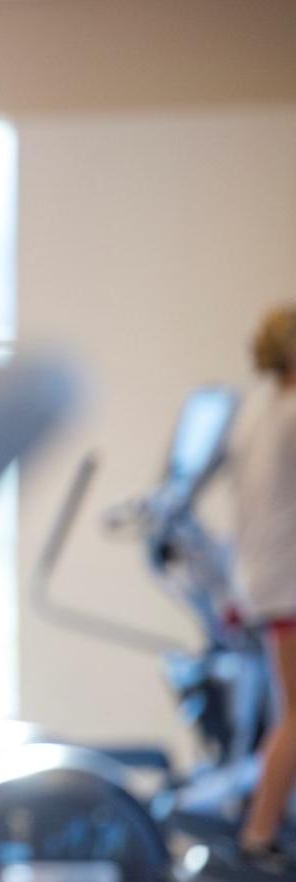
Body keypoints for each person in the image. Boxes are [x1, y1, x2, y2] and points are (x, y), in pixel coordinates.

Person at [235, 303, 296, 870]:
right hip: (288, 585)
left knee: (285, 709)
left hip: (263, 579)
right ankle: (259, 837)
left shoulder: (257, 408)